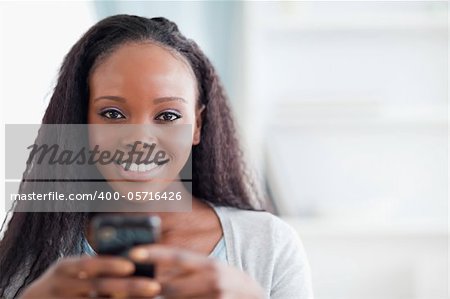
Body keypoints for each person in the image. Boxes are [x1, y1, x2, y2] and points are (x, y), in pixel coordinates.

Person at [0, 14, 313, 299]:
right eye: (112, 113)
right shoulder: (30, 255)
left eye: (167, 115)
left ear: (197, 125)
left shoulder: (268, 245)